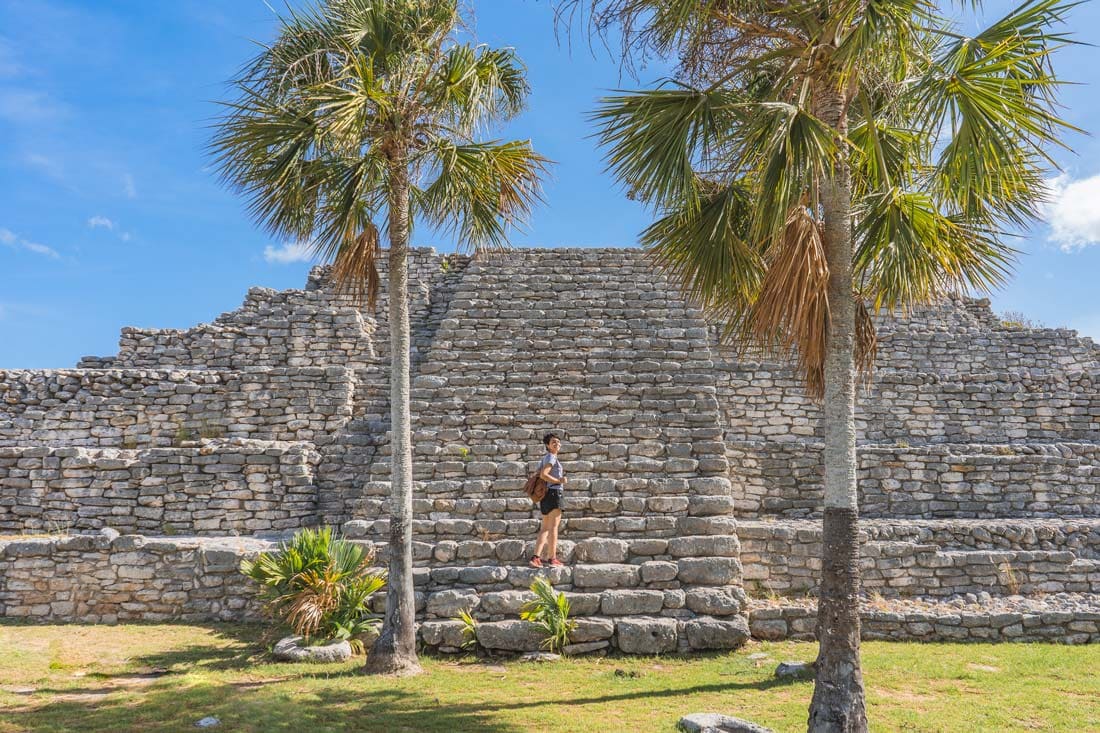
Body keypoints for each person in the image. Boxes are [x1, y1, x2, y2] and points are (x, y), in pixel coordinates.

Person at [530, 432, 566, 568]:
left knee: (544, 528)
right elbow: (544, 475)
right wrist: (559, 480)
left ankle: (536, 558)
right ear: (547, 445)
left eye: (558, 442)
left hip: (545, 496)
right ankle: (552, 559)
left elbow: (540, 474)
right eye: (553, 442)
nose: (557, 444)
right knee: (554, 528)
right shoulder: (551, 457)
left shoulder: (545, 458)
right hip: (554, 493)